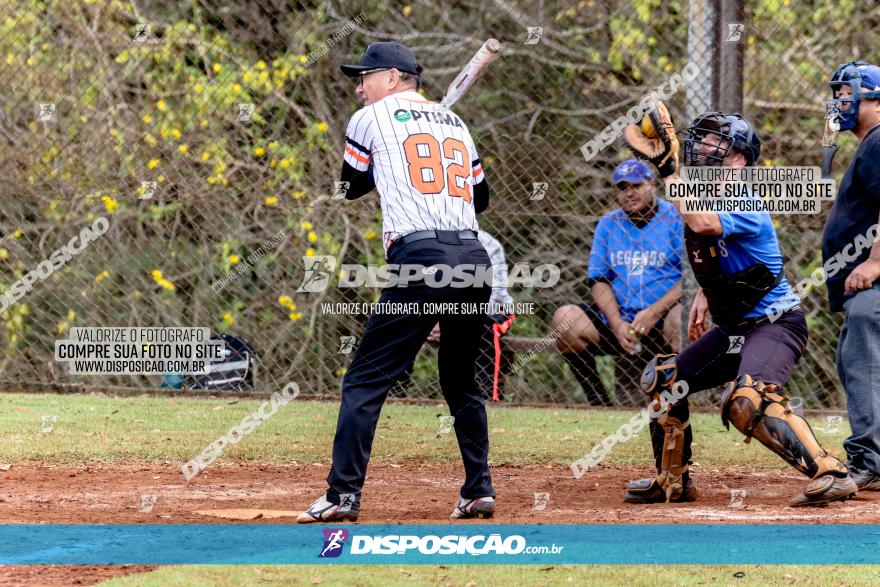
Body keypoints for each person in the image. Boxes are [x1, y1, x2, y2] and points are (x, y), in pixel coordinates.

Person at [297, 42, 496, 522]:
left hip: (419, 257)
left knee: (364, 381)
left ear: (391, 77)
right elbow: (482, 198)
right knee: (460, 384)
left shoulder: (370, 118)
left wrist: (390, 168)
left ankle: (342, 496)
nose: (358, 87)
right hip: (473, 257)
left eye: (364, 77)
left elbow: (349, 188)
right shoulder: (457, 124)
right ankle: (478, 491)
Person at [621, 106, 857, 506]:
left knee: (746, 399)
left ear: (739, 159)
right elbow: (718, 252)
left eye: (717, 141)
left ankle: (829, 471)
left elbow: (705, 226)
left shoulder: (742, 196)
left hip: (776, 323)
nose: (703, 146)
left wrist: (668, 171)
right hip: (734, 330)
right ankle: (672, 481)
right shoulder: (703, 195)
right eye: (703, 138)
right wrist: (703, 293)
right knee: (662, 379)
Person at [552, 159, 682, 406]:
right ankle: (599, 404)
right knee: (564, 319)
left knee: (681, 321)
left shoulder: (675, 218)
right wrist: (617, 324)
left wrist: (653, 313)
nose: (629, 193)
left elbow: (689, 278)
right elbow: (599, 280)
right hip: (620, 322)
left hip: (662, 319)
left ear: (652, 185)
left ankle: (676, 402)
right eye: (622, 188)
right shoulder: (609, 224)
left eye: (636, 185)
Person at [821, 61, 880, 491]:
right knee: (853, 360)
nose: (839, 101)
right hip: (866, 285)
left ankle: (870, 460)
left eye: (847, 92)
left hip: (875, 283)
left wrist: (875, 262)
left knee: (863, 364)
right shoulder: (869, 144)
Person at [427, 230, 516, 401]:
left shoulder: (489, 244)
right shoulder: (427, 240)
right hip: (441, 309)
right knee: (399, 314)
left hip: (492, 309)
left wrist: (449, 316)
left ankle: (486, 395)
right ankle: (393, 392)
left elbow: (494, 295)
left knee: (484, 323)